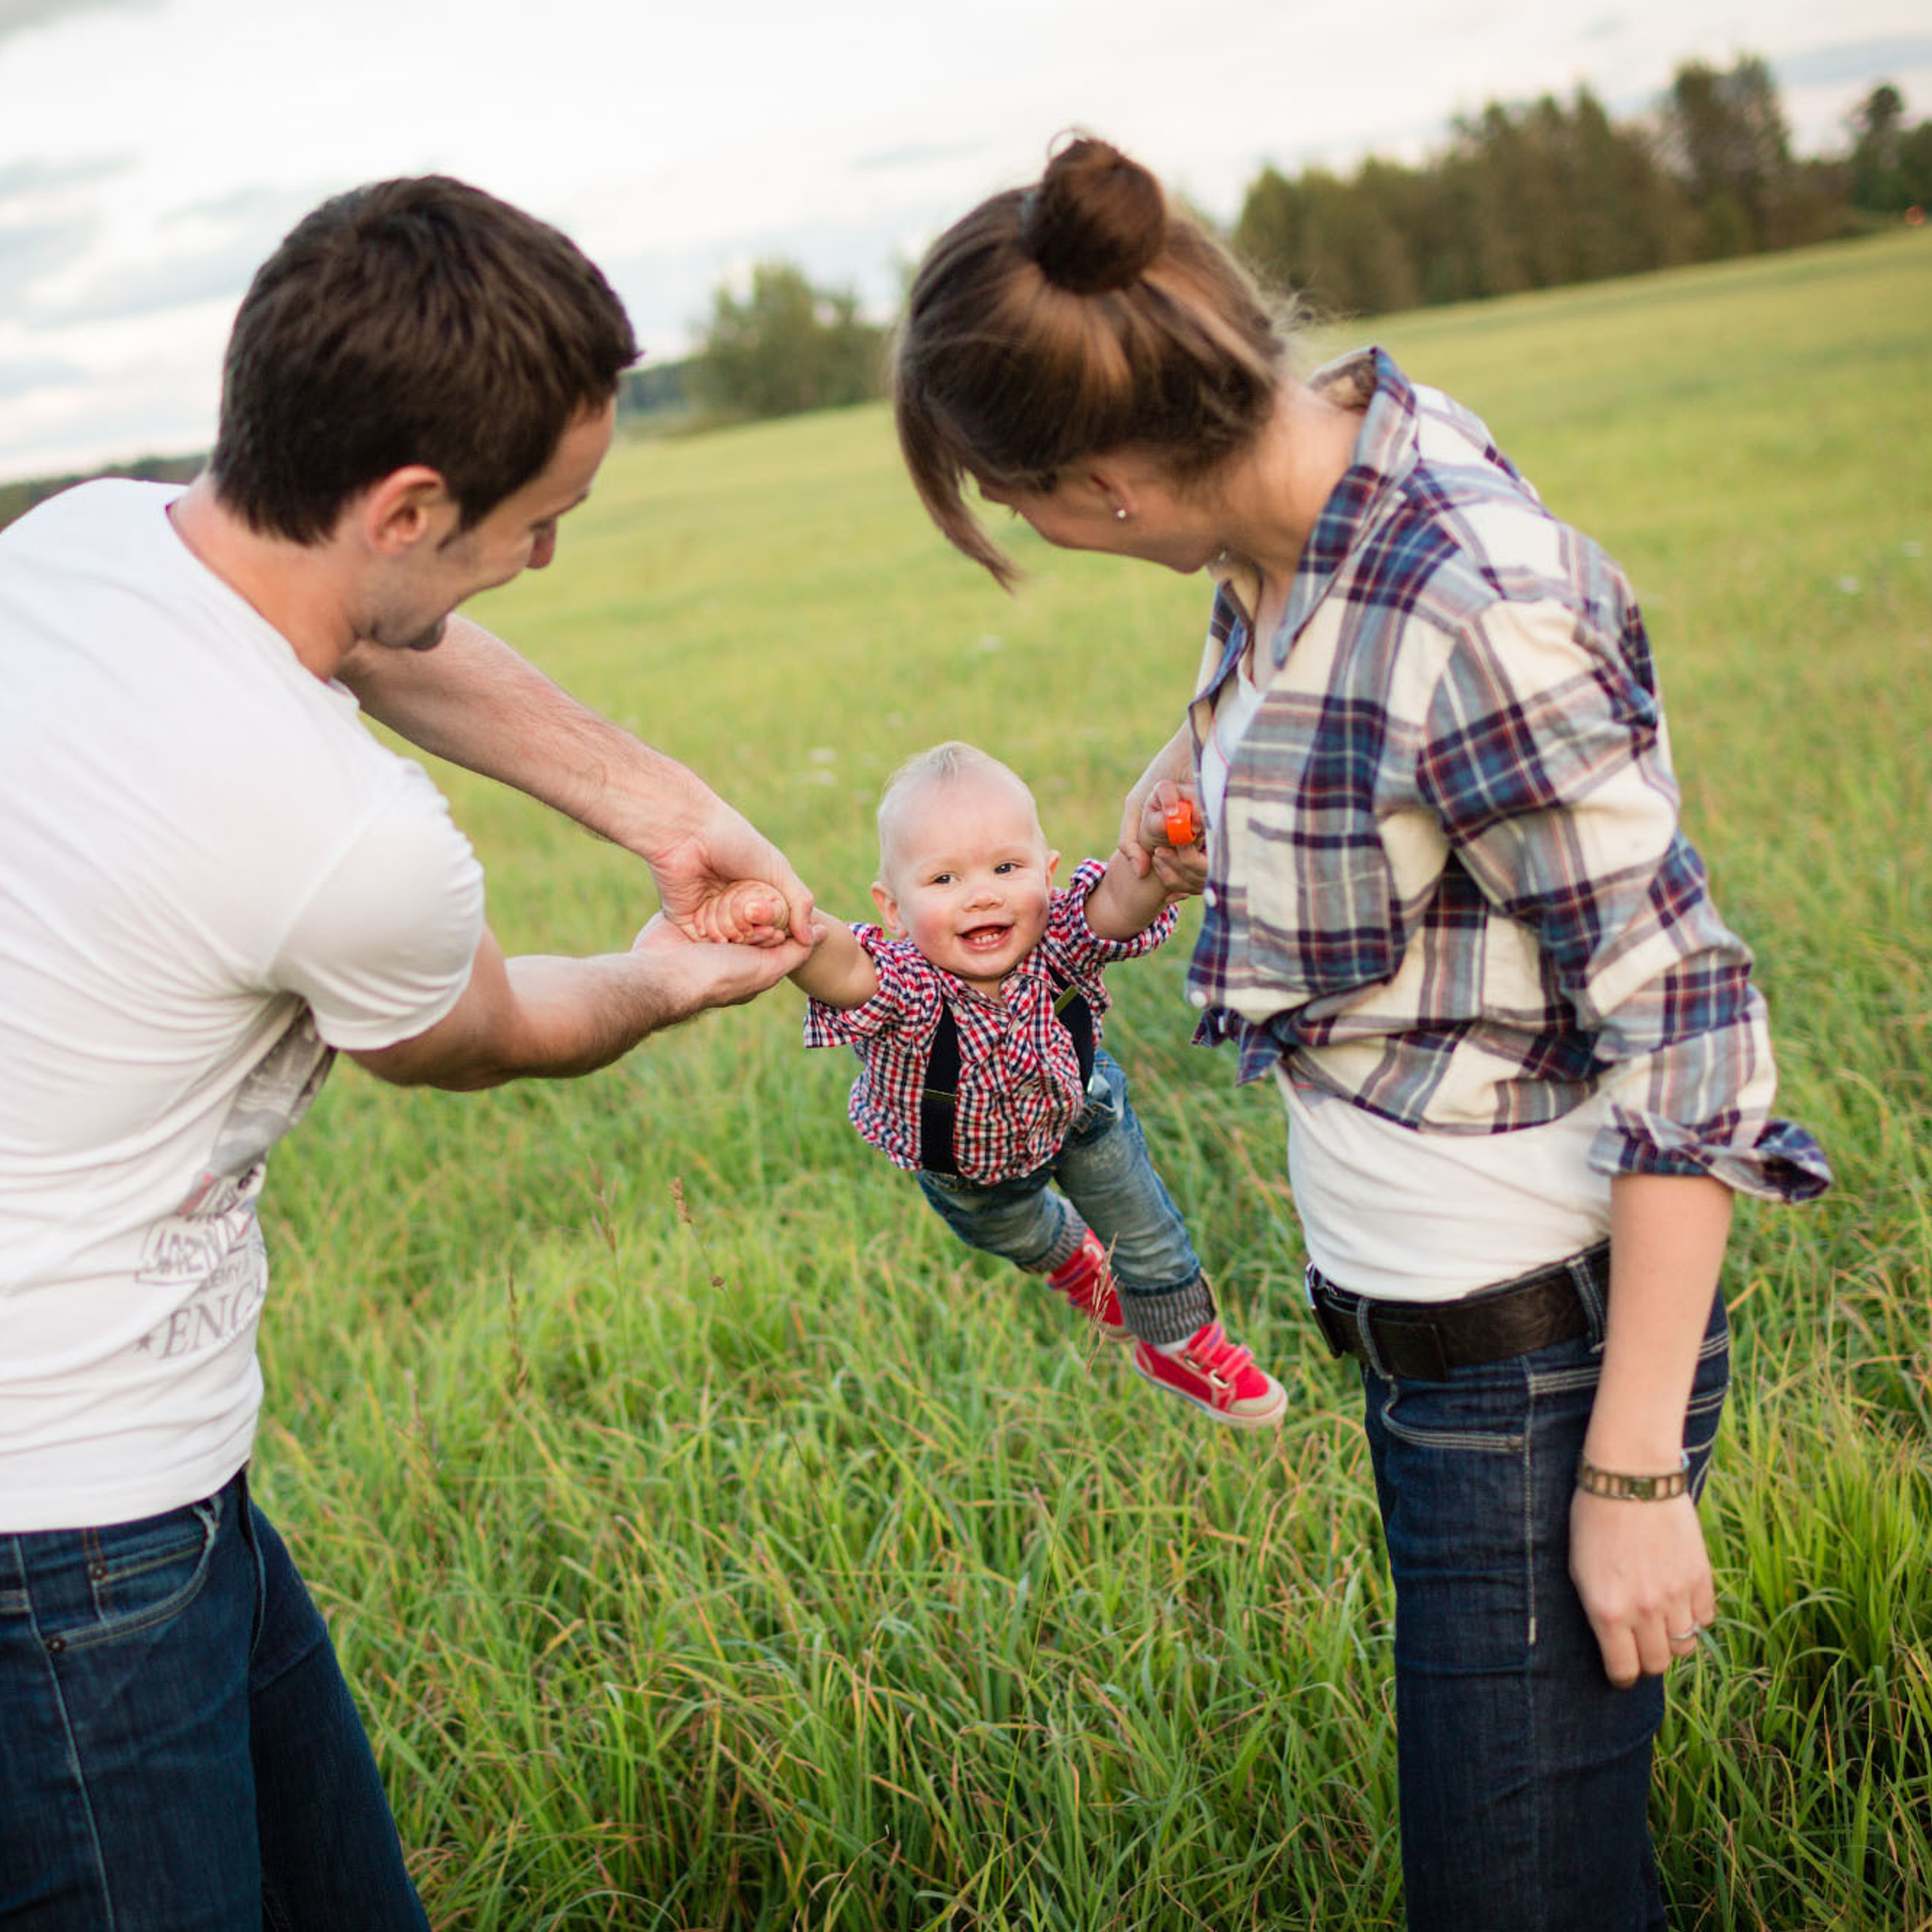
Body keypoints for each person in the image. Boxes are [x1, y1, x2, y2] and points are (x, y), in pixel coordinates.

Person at [888, 136, 1832, 1930]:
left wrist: (1629, 1471)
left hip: (1533, 1370)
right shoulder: (1291, 498)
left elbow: (1694, 1032)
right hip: (1432, 1350)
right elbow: (1310, 725)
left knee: (1514, 1895)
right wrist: (1169, 828)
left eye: (1018, 515)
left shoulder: (1463, 605)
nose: (1041, 544)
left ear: (1095, 484)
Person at [0, 175, 809, 1931]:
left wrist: (678, 816)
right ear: (411, 499)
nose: (545, 557)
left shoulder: (90, 539)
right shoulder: (341, 844)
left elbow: (383, 649)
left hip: (130, 1476)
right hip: (73, 1522)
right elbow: (481, 1037)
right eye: (538, 520)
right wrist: (671, 975)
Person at [724, 741, 1284, 1425]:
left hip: (1083, 1116)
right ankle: (1075, 1264)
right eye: (944, 881)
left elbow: (1118, 902)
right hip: (968, 1171)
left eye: (1006, 868)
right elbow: (843, 969)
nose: (983, 893)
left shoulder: (1060, 940)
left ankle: (1178, 1342)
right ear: (894, 909)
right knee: (1024, 1233)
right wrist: (792, 927)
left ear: (1046, 876)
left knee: (1147, 1232)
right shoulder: (909, 988)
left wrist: (1156, 864)